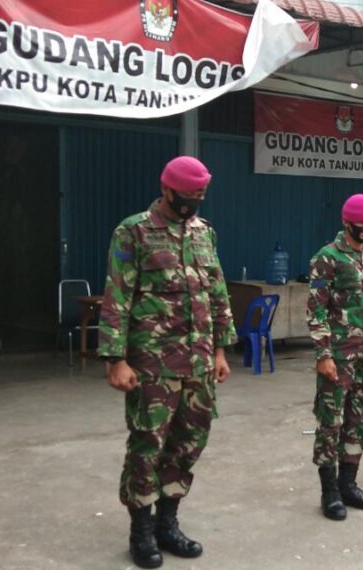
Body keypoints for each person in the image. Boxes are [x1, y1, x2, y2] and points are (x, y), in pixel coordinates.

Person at [97, 156, 236, 568]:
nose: (193, 203)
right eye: (188, 196)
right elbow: (116, 296)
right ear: (167, 190)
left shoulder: (203, 232)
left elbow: (217, 291)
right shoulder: (134, 231)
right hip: (152, 365)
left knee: (188, 445)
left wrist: (220, 351)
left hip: (198, 365)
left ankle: (167, 523)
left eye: (200, 197)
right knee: (147, 447)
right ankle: (141, 530)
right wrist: (115, 359)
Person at [307, 193, 363, 521]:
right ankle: (329, 492)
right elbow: (316, 311)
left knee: (359, 420)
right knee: (331, 422)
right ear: (348, 223)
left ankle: (349, 484)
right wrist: (324, 354)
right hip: (339, 357)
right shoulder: (327, 258)